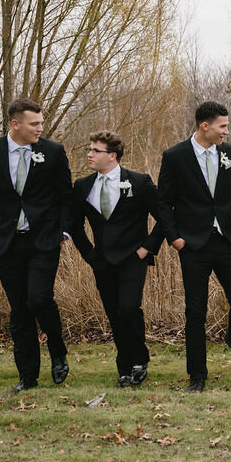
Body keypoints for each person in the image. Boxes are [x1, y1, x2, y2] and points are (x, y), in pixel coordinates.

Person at [0, 98, 72, 392]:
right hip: (5, 242)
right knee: (20, 309)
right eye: (34, 123)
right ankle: (27, 376)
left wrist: (65, 231)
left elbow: (66, 196)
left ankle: (58, 350)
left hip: (44, 240)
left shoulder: (53, 151)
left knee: (39, 298)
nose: (40, 128)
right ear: (15, 124)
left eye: (41, 123)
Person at [156, 102, 231, 392]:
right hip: (193, 244)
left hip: (228, 241)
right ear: (204, 126)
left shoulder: (230, 153)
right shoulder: (175, 156)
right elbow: (164, 202)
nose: (226, 131)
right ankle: (197, 374)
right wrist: (175, 238)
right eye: (223, 126)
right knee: (195, 311)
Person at [70, 131, 164, 387]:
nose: (89, 154)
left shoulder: (139, 182)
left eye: (95, 150)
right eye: (89, 149)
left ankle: (140, 359)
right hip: (102, 261)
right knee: (114, 314)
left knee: (129, 308)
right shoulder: (82, 185)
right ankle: (124, 365)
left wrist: (147, 248)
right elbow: (74, 225)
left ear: (112, 155)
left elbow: (164, 217)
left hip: (133, 258)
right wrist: (89, 254)